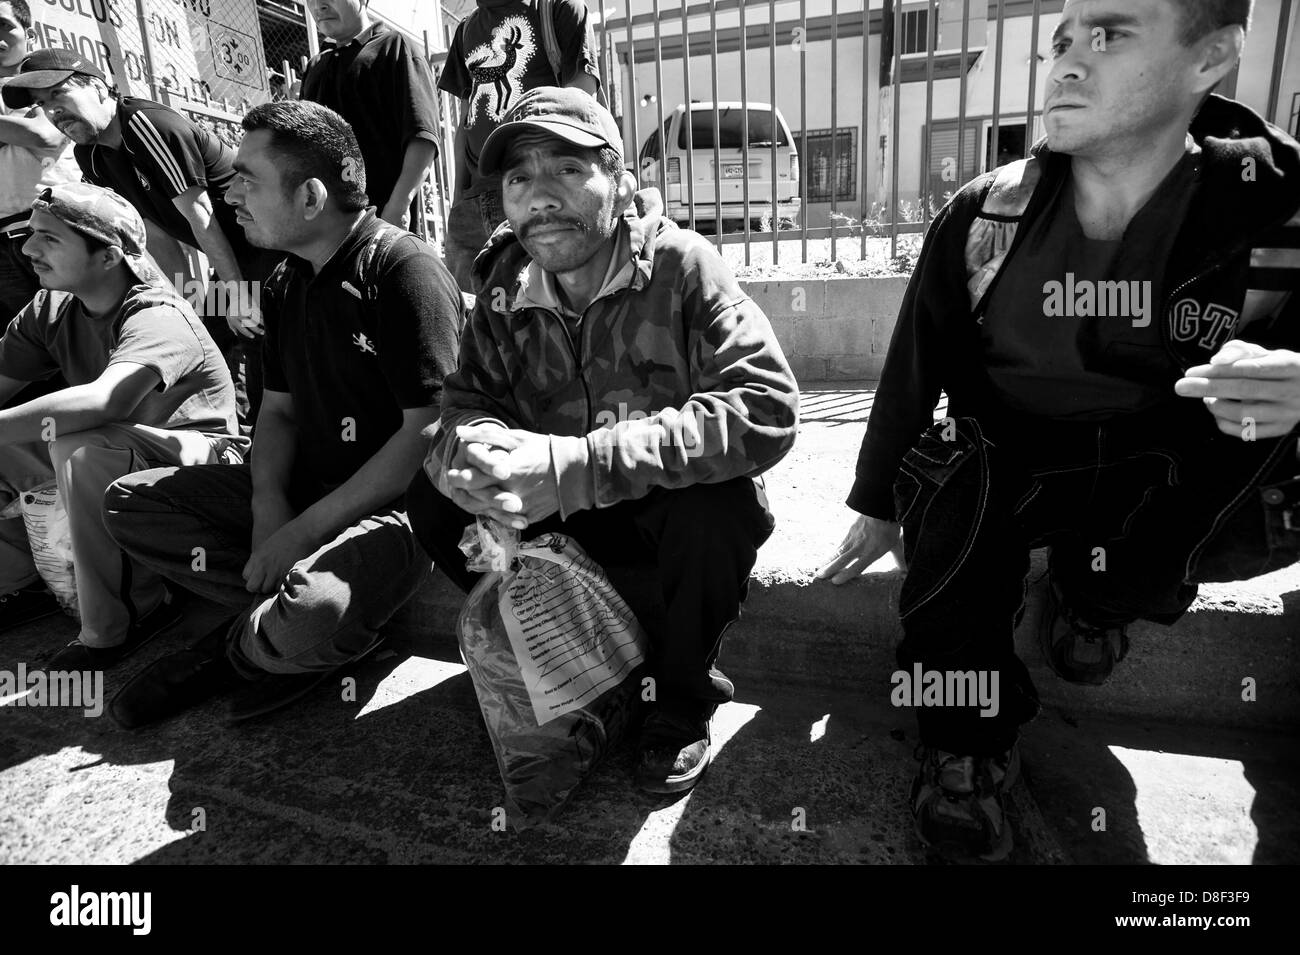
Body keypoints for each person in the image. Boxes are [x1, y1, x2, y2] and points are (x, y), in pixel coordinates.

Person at [817, 0, 1300, 862]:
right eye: (1064, 41)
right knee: (949, 486)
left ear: (1212, 57)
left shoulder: (1273, 211)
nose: (1067, 63)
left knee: (1253, 427)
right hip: (1017, 457)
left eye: (1110, 35)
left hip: (1174, 469)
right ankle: (964, 740)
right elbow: (913, 365)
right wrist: (878, 500)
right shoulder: (990, 214)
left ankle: (1098, 595)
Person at [404, 87, 799, 794]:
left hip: (655, 513)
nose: (540, 196)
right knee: (432, 497)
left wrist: (578, 464)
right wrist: (475, 453)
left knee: (724, 508)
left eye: (566, 169)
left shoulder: (680, 266)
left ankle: (677, 701)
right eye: (519, 178)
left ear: (618, 179)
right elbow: (464, 405)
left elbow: (766, 407)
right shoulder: (501, 283)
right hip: (553, 523)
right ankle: (578, 669)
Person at [102, 101, 462, 728]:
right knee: (129, 504)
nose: (231, 192)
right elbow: (277, 413)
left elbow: (425, 434)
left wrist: (297, 534)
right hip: (307, 490)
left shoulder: (403, 272)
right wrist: (270, 505)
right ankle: (287, 623)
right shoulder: (283, 283)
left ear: (311, 195)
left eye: (248, 178)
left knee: (314, 614)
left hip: (399, 510)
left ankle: (239, 647)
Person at [0, 182, 245, 665]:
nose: (28, 249)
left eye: (49, 239)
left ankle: (127, 617)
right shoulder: (51, 309)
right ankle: (19, 584)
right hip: (119, 454)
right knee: (19, 439)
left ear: (109, 257)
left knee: (83, 447)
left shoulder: (159, 314)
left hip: (207, 471)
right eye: (31, 234)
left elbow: (107, 401)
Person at [1, 48, 276, 425]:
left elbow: (203, 217)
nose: (52, 112)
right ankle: (227, 440)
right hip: (229, 257)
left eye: (58, 95)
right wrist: (179, 303)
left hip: (267, 245)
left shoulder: (146, 124)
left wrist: (239, 293)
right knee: (205, 330)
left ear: (98, 88)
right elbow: (154, 232)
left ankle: (261, 450)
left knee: (259, 338)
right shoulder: (91, 154)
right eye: (42, 105)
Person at [439, 0, 602, 292]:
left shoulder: (557, 10)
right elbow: (466, 119)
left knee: (542, 309)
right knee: (472, 317)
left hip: (538, 195)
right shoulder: (465, 31)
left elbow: (581, 106)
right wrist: (458, 201)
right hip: (475, 200)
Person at [300, 0, 441, 232]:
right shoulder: (316, 66)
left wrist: (396, 209)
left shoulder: (394, 47)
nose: (319, 6)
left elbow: (422, 136)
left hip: (379, 224)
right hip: (324, 230)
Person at [0, 0, 79, 320]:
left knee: (77, 337)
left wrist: (28, 130)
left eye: (5, 25)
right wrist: (21, 126)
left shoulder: (51, 80)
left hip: (57, 223)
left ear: (29, 35)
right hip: (2, 239)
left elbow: (45, 136)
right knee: (27, 352)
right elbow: (33, 132)